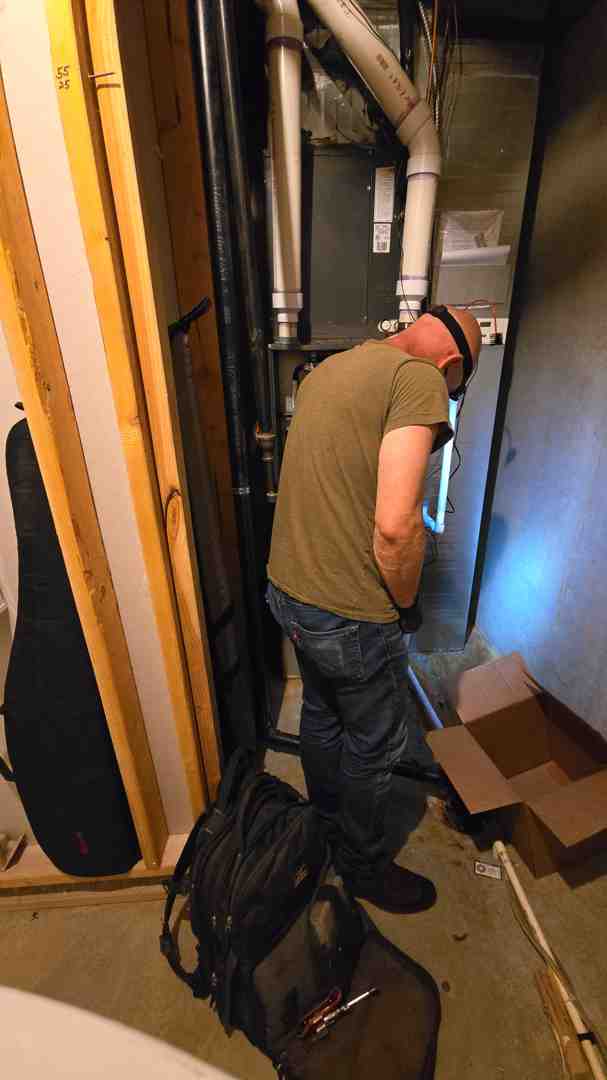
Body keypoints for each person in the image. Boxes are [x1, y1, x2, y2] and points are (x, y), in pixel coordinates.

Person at [266, 306, 482, 914]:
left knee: (322, 709)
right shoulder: (418, 379)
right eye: (455, 388)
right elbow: (394, 527)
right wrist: (406, 602)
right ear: (452, 365)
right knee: (377, 741)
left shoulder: (332, 369)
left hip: (290, 589)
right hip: (348, 609)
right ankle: (360, 865)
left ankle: (324, 821)